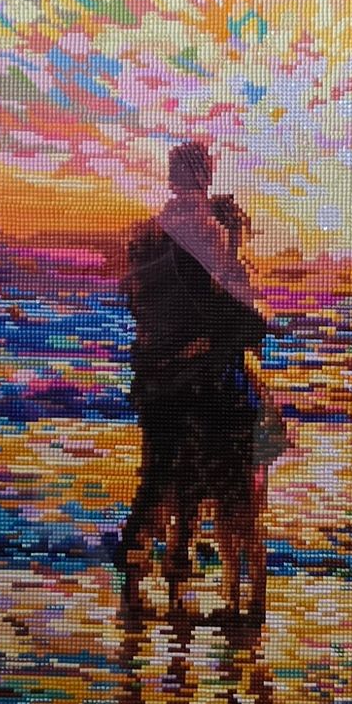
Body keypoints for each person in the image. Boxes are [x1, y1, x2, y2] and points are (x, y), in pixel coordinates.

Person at [115, 142, 277, 617]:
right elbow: (233, 301)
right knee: (238, 470)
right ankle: (244, 592)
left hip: (157, 379)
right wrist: (250, 322)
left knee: (158, 479)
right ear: (205, 178)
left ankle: (143, 582)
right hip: (205, 380)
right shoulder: (210, 231)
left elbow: (137, 303)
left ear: (172, 179)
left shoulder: (147, 234)